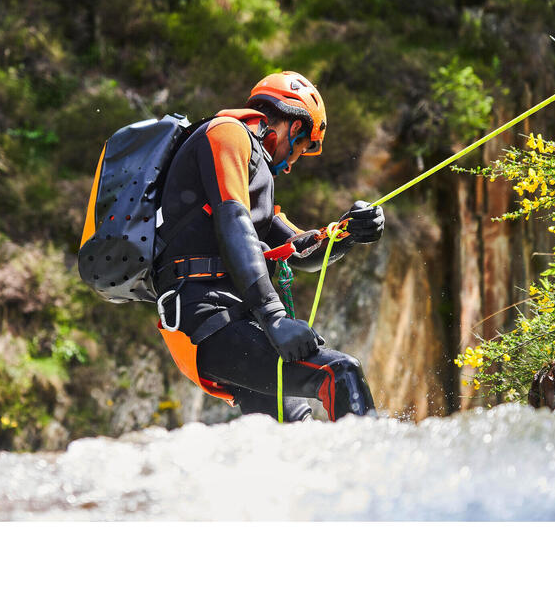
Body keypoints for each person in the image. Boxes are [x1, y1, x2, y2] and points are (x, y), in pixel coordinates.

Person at [154, 71, 384, 422]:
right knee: (340, 373)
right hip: (209, 320)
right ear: (294, 129)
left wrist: (349, 233)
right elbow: (234, 222)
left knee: (295, 434)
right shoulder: (227, 133)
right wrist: (275, 318)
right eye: (303, 149)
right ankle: (372, 475)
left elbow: (300, 248)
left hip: (225, 323)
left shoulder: (253, 172)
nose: (291, 166)